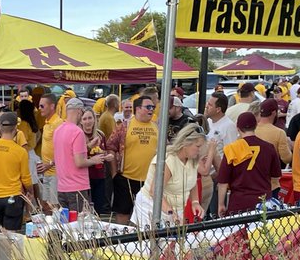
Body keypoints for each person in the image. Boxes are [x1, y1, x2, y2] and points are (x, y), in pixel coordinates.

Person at [132, 125, 206, 229]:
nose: (200, 150)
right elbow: (155, 191)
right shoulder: (168, 159)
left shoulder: (193, 159)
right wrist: (171, 213)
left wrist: (195, 202)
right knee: (153, 241)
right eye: (198, 146)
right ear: (185, 143)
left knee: (172, 242)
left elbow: (191, 181)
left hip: (175, 209)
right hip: (151, 206)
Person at [105, 93, 159, 224]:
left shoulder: (157, 127)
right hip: (126, 178)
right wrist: (114, 173)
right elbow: (111, 146)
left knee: (145, 214)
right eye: (148, 107)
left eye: (152, 107)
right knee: (123, 213)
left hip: (149, 181)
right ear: (138, 109)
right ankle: (121, 240)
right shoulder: (124, 126)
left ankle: (141, 241)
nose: (151, 110)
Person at [216, 112, 282, 216]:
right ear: (255, 126)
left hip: (239, 203)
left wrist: (220, 204)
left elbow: (223, 182)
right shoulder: (269, 147)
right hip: (263, 203)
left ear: (238, 128)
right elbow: (276, 176)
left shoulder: (232, 149)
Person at [54, 98, 112, 216]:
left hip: (62, 187)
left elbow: (67, 154)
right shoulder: (77, 132)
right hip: (77, 187)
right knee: (78, 225)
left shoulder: (58, 130)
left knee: (65, 223)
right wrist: (93, 160)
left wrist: (89, 146)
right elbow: (79, 162)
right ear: (80, 111)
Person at [0, 111, 32, 232]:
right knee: (11, 235)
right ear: (15, 129)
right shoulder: (20, 151)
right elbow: (26, 177)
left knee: (0, 233)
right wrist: (30, 191)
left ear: (0, 127)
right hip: (14, 196)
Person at [80, 109, 111, 216]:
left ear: (94, 119)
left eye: (90, 118)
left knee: (98, 209)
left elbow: (104, 151)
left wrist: (108, 156)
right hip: (85, 177)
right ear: (81, 121)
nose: (87, 121)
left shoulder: (100, 134)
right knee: (85, 209)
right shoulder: (79, 135)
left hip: (99, 175)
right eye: (84, 119)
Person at [35, 93, 62, 211]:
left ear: (52, 106)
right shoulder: (47, 123)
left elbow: (63, 150)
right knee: (45, 206)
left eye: (42, 106)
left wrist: (50, 163)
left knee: (55, 207)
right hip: (47, 172)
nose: (39, 108)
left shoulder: (58, 123)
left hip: (56, 172)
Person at [253, 98, 292, 165]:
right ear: (274, 113)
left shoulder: (250, 130)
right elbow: (286, 159)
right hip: (269, 172)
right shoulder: (279, 133)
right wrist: (289, 145)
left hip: (250, 172)